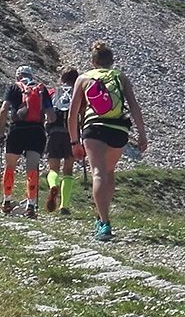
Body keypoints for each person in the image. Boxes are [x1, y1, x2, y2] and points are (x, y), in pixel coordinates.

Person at [68, 41, 148, 241]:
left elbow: (72, 114)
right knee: (109, 171)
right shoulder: (120, 77)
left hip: (94, 128)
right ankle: (104, 212)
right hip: (118, 130)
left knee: (98, 172)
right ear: (111, 62)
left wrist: (74, 142)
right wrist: (142, 133)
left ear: (92, 62)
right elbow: (134, 106)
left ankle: (103, 222)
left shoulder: (83, 78)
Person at [0, 65, 55, 218]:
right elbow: (52, 116)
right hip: (36, 131)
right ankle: (31, 205)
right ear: (32, 76)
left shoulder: (13, 88)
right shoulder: (41, 90)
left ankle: (7, 201)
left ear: (18, 77)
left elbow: (4, 110)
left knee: (10, 165)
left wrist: (1, 132)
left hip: (17, 130)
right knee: (32, 167)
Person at [45, 66, 79, 215]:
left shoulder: (53, 92)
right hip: (71, 134)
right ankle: (64, 206)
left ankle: (54, 185)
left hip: (54, 133)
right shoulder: (78, 94)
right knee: (68, 170)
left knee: (53, 169)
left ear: (62, 78)